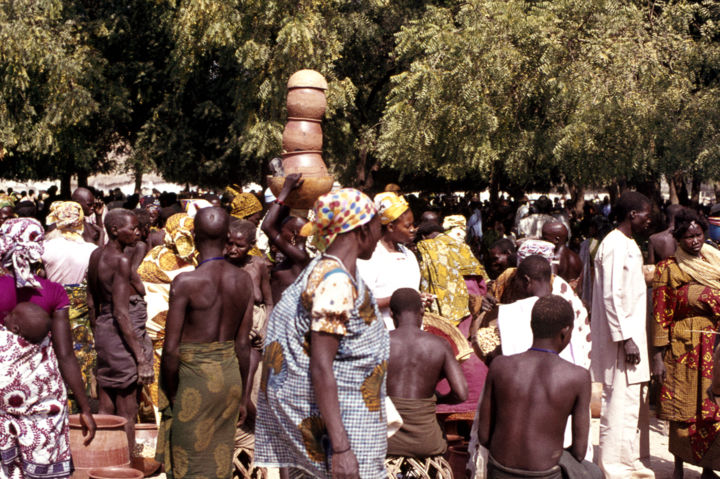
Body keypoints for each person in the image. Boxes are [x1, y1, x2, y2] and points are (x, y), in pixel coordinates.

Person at [255, 188, 388, 478]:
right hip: (345, 426)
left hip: (347, 417)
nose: (381, 234)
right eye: (380, 225)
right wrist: (341, 450)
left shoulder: (325, 268)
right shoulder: (335, 281)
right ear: (363, 228)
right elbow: (321, 365)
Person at [156, 207, 254, 479]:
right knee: (218, 460)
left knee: (190, 460)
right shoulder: (244, 280)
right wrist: (244, 395)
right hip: (229, 378)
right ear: (227, 237)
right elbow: (243, 345)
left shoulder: (186, 282)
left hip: (194, 381)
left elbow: (171, 349)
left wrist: (173, 392)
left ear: (194, 237)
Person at [0, 218, 96, 476]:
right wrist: (85, 407)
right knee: (43, 459)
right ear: (38, 247)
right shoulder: (53, 292)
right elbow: (65, 354)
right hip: (42, 394)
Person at [477, 295, 601, 479]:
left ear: (532, 326)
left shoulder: (500, 366)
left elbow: (484, 436)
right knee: (594, 473)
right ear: (565, 331)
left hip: (499, 471)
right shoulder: (577, 377)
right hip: (544, 474)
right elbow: (580, 452)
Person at [652, 209, 720, 478]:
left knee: (709, 411)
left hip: (711, 347)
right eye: (689, 236)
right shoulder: (667, 268)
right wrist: (657, 356)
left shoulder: (715, 263)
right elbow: (659, 313)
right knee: (681, 409)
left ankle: (707, 467)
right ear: (678, 239)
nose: (694, 241)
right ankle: (678, 465)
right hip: (681, 347)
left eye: (699, 235)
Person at [591, 191, 654, 478]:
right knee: (617, 404)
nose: (648, 219)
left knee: (628, 405)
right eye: (646, 214)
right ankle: (614, 468)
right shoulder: (615, 245)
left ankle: (627, 461)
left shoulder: (626, 243)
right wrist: (625, 337)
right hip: (621, 342)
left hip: (628, 337)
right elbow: (611, 295)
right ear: (632, 214)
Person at [0, 303, 94, 479]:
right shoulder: (47, 351)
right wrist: (85, 409)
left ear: (15, 328)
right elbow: (62, 368)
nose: (5, 315)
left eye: (11, 314)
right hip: (41, 433)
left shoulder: (4, 343)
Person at [87, 209, 154, 457]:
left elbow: (92, 301)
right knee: (127, 409)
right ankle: (124, 463)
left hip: (105, 332)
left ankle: (103, 459)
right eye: (132, 227)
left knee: (106, 403)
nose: (137, 232)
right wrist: (141, 359)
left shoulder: (96, 255)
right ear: (115, 230)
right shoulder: (121, 261)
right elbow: (122, 313)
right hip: (120, 334)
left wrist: (99, 334)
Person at [386, 288, 467, 458]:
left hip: (386, 441)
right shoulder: (440, 344)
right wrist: (438, 399)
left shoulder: (379, 342)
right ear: (422, 310)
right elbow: (461, 393)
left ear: (392, 314)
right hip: (426, 442)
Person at [42, 201, 99, 411]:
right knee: (81, 359)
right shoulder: (92, 250)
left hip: (51, 311)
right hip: (82, 315)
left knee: (56, 356)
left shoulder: (45, 248)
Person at [137, 212, 197, 408]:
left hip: (149, 330)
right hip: (175, 333)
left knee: (154, 382)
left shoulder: (153, 254)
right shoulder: (191, 264)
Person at [358, 191, 421, 330]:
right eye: (407, 226)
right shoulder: (371, 256)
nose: (413, 230)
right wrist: (398, 300)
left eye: (413, 225)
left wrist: (419, 299)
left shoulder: (408, 255)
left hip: (411, 332)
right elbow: (361, 301)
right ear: (391, 227)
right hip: (382, 330)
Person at [260, 174, 310, 303]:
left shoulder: (300, 257)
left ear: (294, 234)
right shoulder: (295, 256)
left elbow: (267, 226)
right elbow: (273, 223)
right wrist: (289, 195)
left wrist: (285, 190)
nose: (279, 233)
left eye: (282, 230)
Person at [541, 220, 583, 291]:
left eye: (544, 238)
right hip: (572, 299)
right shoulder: (576, 258)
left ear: (556, 240)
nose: (542, 241)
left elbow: (551, 285)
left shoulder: (553, 259)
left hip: (556, 300)